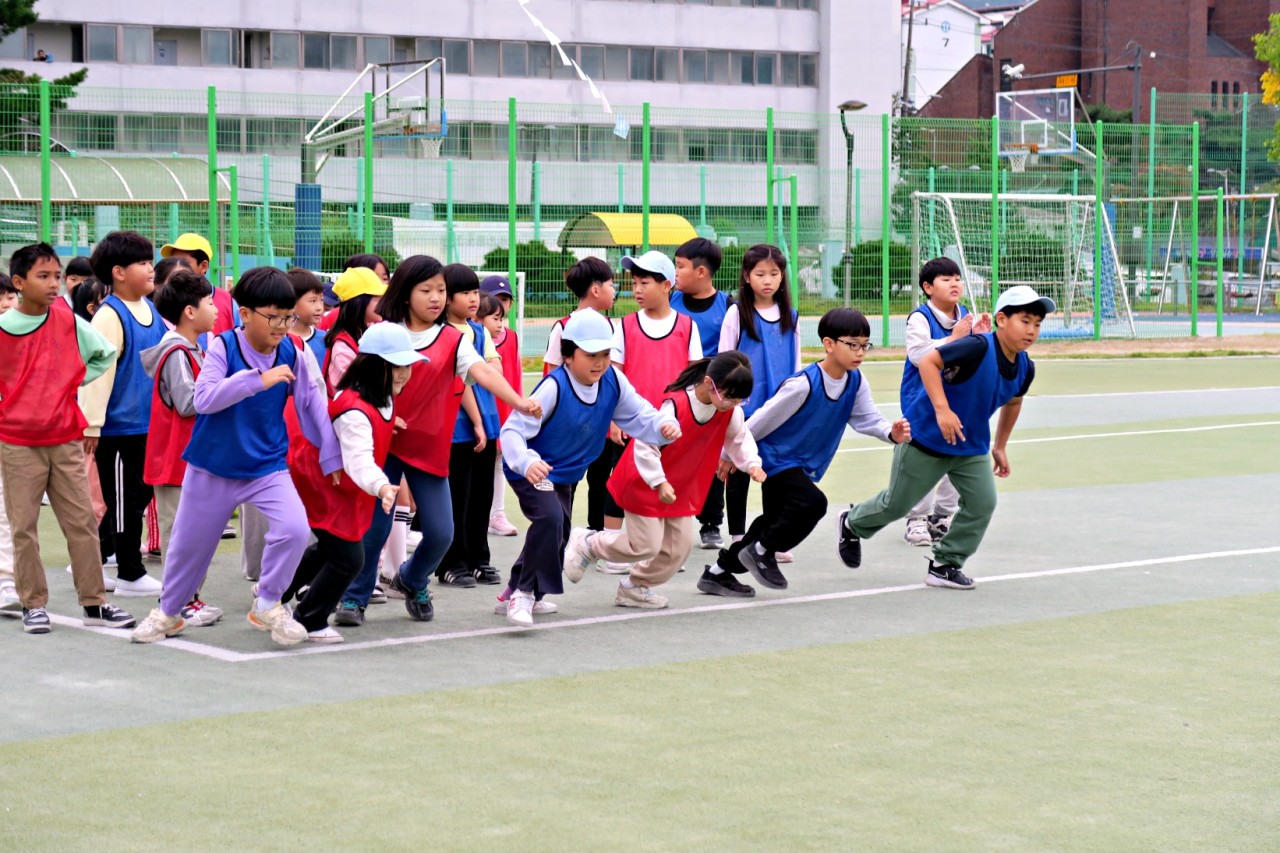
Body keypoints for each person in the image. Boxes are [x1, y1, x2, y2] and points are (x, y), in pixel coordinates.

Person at [129, 267, 342, 645]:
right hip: (213, 467)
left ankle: (269, 602)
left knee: (294, 529)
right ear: (245, 313)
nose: (281, 325)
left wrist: (332, 460)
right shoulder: (222, 346)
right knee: (187, 548)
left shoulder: (294, 349)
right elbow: (204, 398)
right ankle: (167, 613)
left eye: (287, 316)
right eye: (272, 316)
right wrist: (255, 381)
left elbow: (313, 404)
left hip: (267, 466)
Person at [334, 255, 540, 627]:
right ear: (405, 292)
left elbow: (481, 373)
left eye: (441, 291)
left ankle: (412, 580)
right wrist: (381, 413)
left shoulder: (453, 339)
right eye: (425, 290)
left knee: (443, 533)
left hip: (428, 447)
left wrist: (519, 401)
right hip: (385, 440)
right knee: (374, 526)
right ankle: (354, 597)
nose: (435, 298)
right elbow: (357, 382)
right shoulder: (386, 330)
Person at [837, 287, 1048, 590]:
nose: (1031, 330)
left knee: (982, 503)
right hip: (926, 438)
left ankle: (945, 563)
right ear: (1001, 319)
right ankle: (851, 522)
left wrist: (1000, 446)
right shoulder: (976, 346)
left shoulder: (1025, 367)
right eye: (1025, 321)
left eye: (1037, 324)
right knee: (895, 506)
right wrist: (942, 410)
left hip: (969, 445)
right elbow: (928, 362)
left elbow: (1014, 401)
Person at [708, 308, 910, 595]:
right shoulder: (803, 384)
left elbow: (868, 418)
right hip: (775, 458)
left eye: (865, 345)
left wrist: (891, 433)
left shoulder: (855, 381)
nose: (860, 352)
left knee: (770, 522)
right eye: (852, 344)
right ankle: (763, 550)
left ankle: (718, 572)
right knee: (812, 503)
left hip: (799, 464)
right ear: (829, 344)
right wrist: (730, 456)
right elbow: (761, 420)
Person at [498, 309, 679, 628]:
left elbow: (639, 415)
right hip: (532, 470)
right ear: (568, 355)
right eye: (591, 354)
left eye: (606, 354)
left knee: (560, 531)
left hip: (564, 474)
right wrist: (526, 462)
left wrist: (663, 424)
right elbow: (513, 430)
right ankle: (523, 594)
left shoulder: (613, 380)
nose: (599, 362)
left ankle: (514, 589)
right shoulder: (554, 386)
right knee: (551, 520)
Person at [0, 243, 135, 634]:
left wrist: (71, 382)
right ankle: (33, 604)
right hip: (18, 443)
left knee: (82, 523)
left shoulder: (69, 321)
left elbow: (104, 355)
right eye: (43, 276)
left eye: (57, 276)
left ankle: (95, 603)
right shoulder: (3, 329)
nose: (54, 283)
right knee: (23, 527)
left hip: (65, 439)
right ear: (19, 282)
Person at [563, 351, 761, 610]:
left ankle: (634, 588)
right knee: (645, 545)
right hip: (644, 479)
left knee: (678, 551)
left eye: (738, 400)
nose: (732, 404)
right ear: (709, 382)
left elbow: (740, 439)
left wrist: (752, 463)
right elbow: (645, 446)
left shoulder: (729, 411)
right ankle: (588, 543)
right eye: (729, 396)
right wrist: (658, 481)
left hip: (677, 487)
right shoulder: (676, 405)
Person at [285, 324, 421, 643]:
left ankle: (271, 596)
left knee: (330, 550)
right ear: (374, 366)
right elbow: (358, 459)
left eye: (407, 365)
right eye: (396, 366)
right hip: (322, 483)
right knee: (349, 558)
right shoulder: (354, 408)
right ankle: (308, 617)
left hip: (345, 488)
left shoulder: (381, 397)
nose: (404, 373)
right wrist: (383, 486)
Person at [81, 230, 165, 598]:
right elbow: (97, 376)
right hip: (117, 429)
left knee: (139, 496)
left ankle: (107, 557)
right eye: (143, 263)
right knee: (124, 501)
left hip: (149, 425)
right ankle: (129, 572)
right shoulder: (109, 316)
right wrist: (93, 424)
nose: (151, 269)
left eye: (150, 262)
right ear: (118, 272)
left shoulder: (152, 309)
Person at [606, 250, 701, 568]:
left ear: (667, 285)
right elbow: (614, 375)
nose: (637, 289)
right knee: (624, 483)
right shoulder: (625, 325)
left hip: (672, 425)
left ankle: (667, 550)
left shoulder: (687, 327)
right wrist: (614, 418)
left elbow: (695, 377)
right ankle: (612, 547)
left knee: (668, 484)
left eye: (644, 282)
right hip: (633, 422)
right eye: (634, 282)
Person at [140, 269, 223, 628]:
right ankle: (177, 602)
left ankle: (188, 598)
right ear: (190, 312)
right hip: (175, 459)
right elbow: (190, 403)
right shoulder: (177, 352)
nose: (217, 308)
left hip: (189, 457)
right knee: (181, 535)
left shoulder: (192, 348)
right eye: (209, 302)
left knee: (195, 533)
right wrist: (227, 387)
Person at [718, 244, 801, 561]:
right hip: (743, 409)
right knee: (738, 472)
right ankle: (739, 539)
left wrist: (794, 406)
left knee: (774, 474)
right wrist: (726, 403)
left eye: (774, 273)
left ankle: (771, 540)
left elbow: (794, 367)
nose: (768, 280)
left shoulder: (790, 317)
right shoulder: (737, 313)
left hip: (778, 411)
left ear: (782, 277)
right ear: (747, 277)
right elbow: (724, 360)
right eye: (760, 274)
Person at [901, 257, 990, 546]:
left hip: (957, 400)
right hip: (923, 401)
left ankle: (942, 516)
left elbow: (975, 353)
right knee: (925, 459)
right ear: (927, 287)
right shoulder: (920, 318)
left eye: (957, 278)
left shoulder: (965, 315)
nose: (954, 283)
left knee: (959, 452)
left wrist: (983, 337)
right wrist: (953, 339)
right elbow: (918, 355)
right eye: (945, 279)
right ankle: (917, 518)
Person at [543, 256, 622, 538]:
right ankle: (558, 540)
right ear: (596, 290)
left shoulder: (612, 327)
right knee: (565, 483)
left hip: (599, 423)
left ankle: (596, 536)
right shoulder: (563, 327)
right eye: (613, 285)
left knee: (601, 479)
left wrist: (613, 418)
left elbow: (613, 379)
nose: (617, 290)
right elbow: (551, 376)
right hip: (568, 426)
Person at [438, 264, 502, 588]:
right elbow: (463, 380)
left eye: (475, 291)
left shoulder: (479, 332)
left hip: (486, 423)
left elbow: (493, 365)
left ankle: (479, 558)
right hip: (455, 426)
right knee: (457, 496)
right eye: (464, 292)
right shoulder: (444, 334)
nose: (473, 299)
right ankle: (452, 562)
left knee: (482, 495)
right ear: (446, 298)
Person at [671, 237, 732, 550]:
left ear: (702, 272)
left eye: (680, 266)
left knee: (710, 460)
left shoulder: (728, 305)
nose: (675, 273)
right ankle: (667, 519)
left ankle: (711, 524)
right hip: (677, 394)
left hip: (711, 395)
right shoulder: (670, 301)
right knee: (673, 457)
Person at [481, 275, 522, 538]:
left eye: (506, 299)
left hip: (503, 410)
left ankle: (497, 513)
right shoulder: (474, 336)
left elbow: (515, 376)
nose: (502, 304)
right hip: (480, 410)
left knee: (498, 462)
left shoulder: (512, 337)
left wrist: (516, 410)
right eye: (496, 299)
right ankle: (479, 513)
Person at [160, 234, 235, 338]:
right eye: (172, 261)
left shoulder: (227, 301)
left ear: (203, 266)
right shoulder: (163, 299)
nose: (176, 268)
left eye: (184, 263)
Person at [0, 274, 20, 615]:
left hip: (14, 434)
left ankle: (6, 581)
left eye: (10, 298)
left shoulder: (22, 337)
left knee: (7, 510)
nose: (7, 304)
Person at [319, 253, 390, 331]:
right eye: (373, 278)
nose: (380, 284)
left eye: (385, 279)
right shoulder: (332, 318)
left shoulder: (390, 318)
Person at [287, 267, 328, 366]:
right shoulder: (280, 340)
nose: (319, 307)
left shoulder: (326, 339)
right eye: (313, 301)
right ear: (292, 303)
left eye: (321, 300)